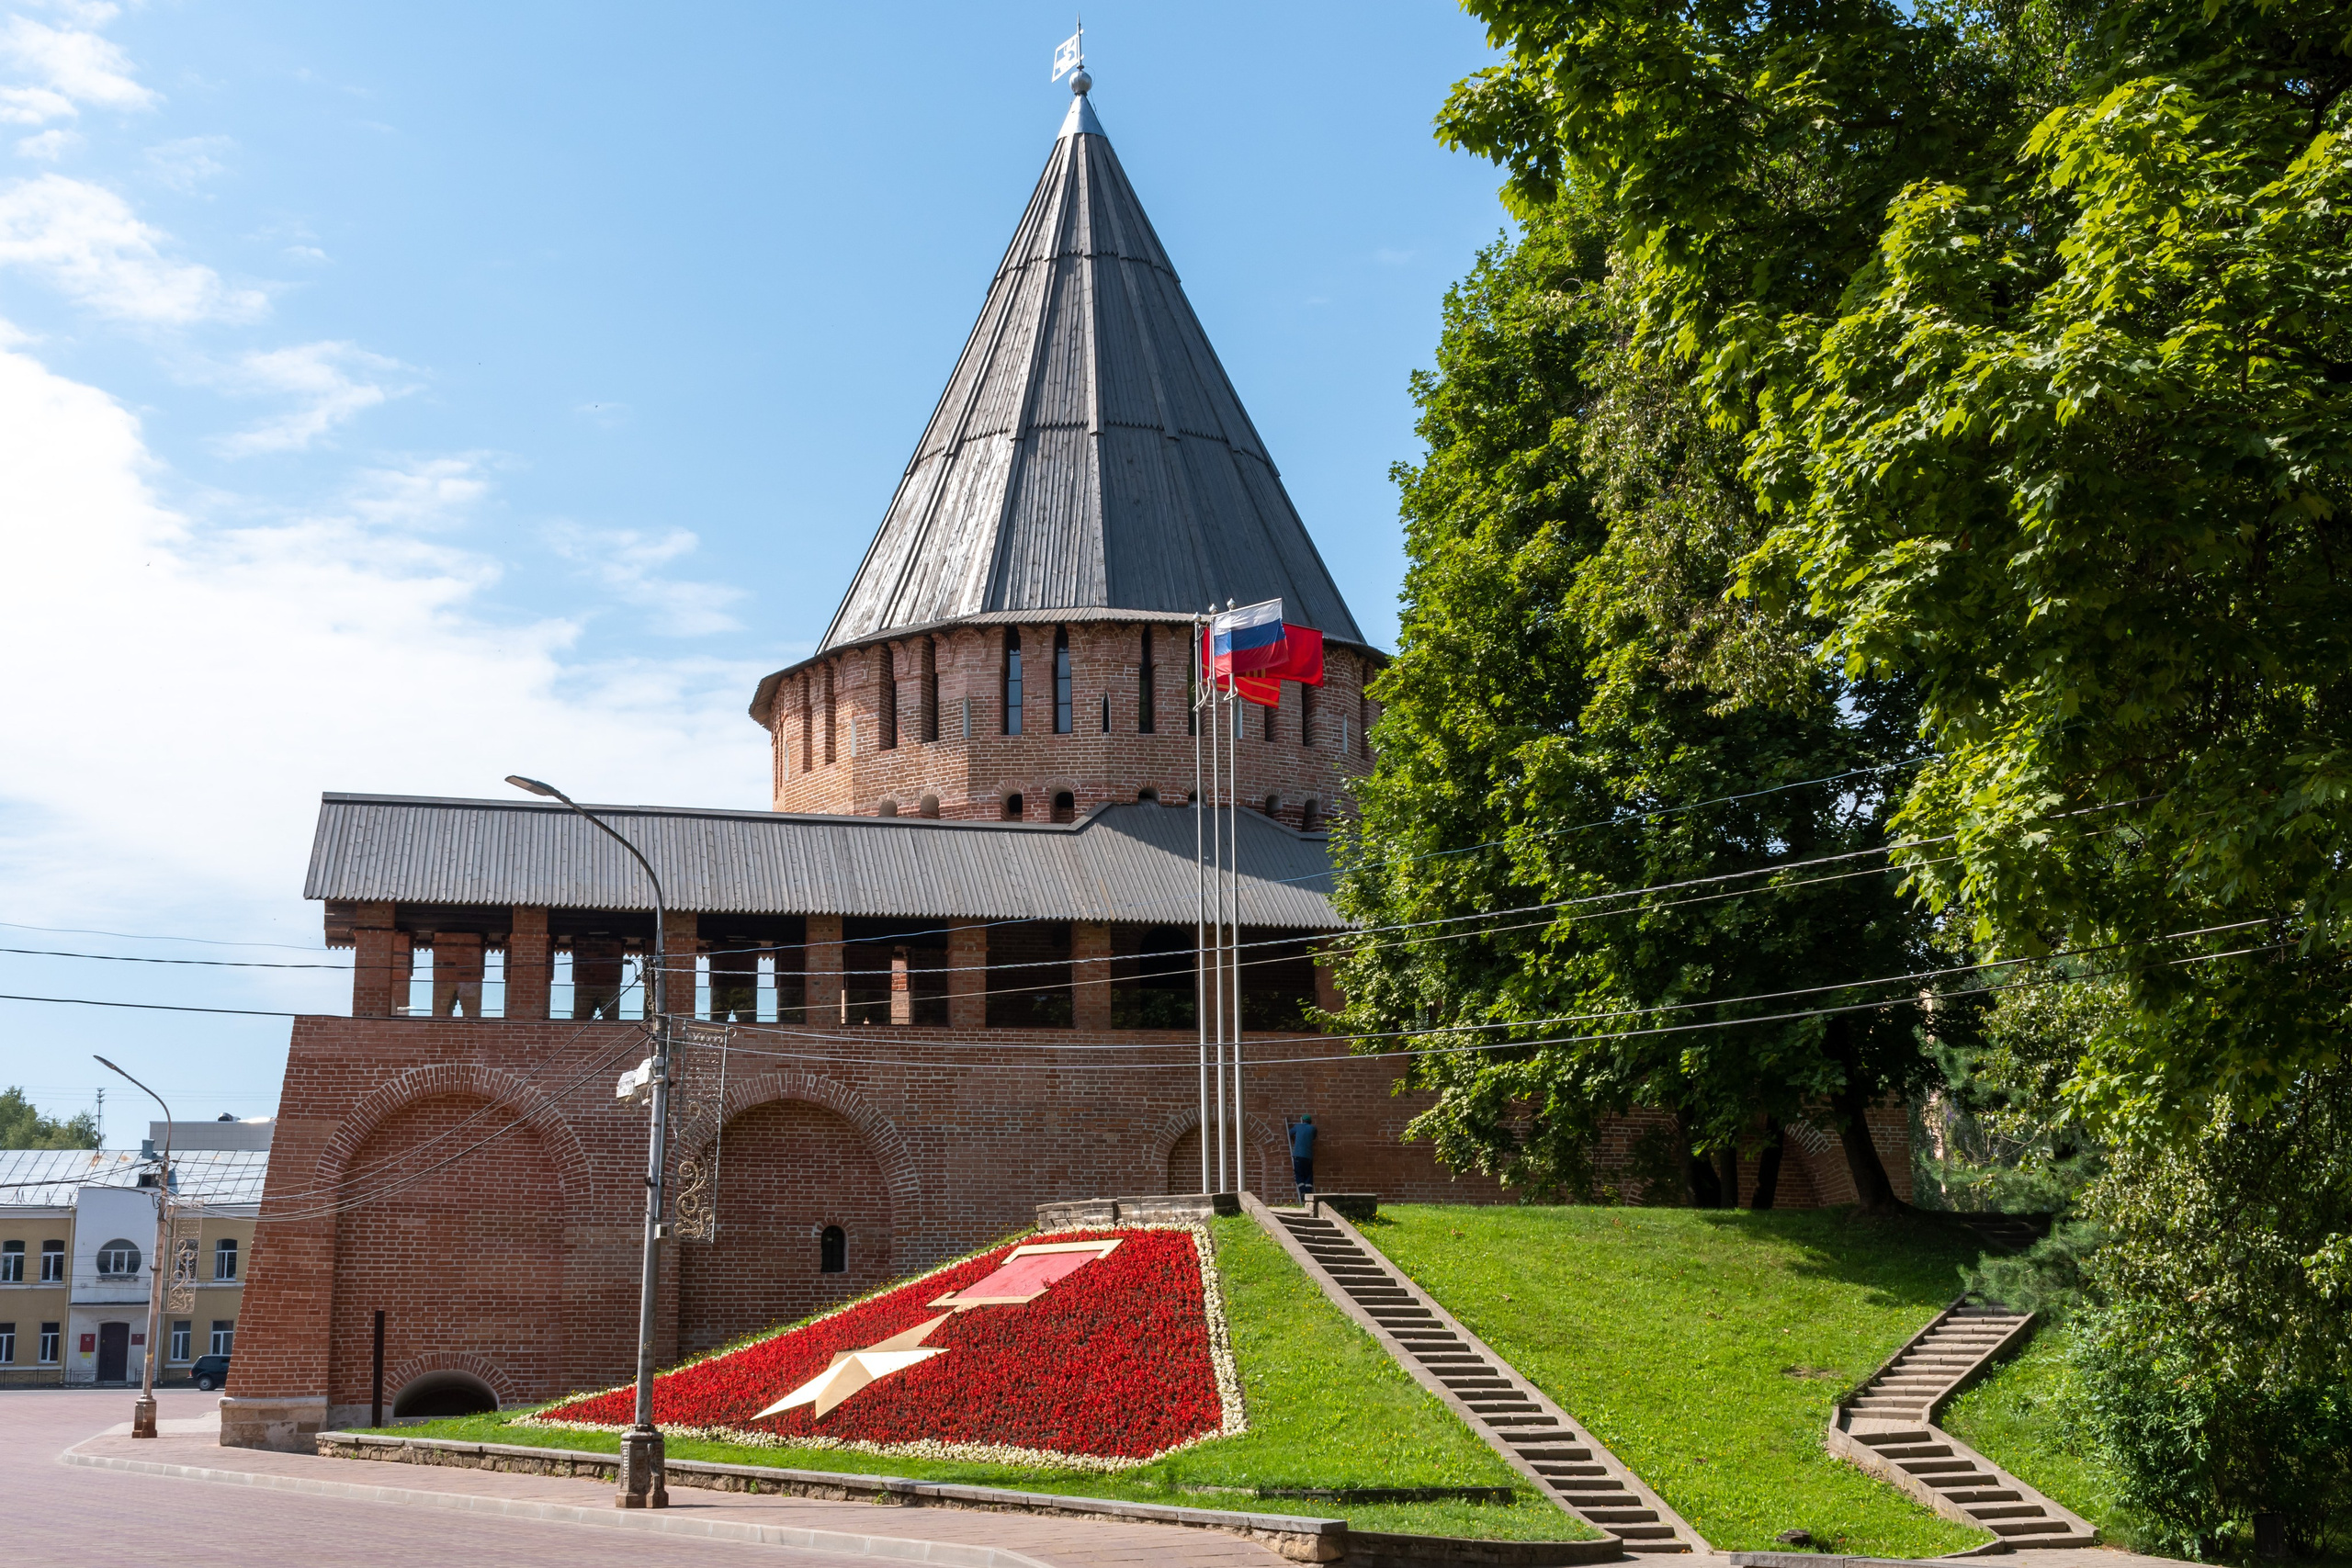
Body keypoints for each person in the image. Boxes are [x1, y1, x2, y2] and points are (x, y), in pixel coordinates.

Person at [1288, 1113, 1316, 1202]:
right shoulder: (1313, 1128)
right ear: (1310, 1121)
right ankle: (1309, 1192)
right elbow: (1314, 1137)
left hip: (1298, 1156)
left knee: (1299, 1174)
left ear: (1302, 1120)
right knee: (1308, 1174)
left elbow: (1290, 1133)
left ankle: (1303, 1191)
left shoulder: (1298, 1126)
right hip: (1308, 1157)